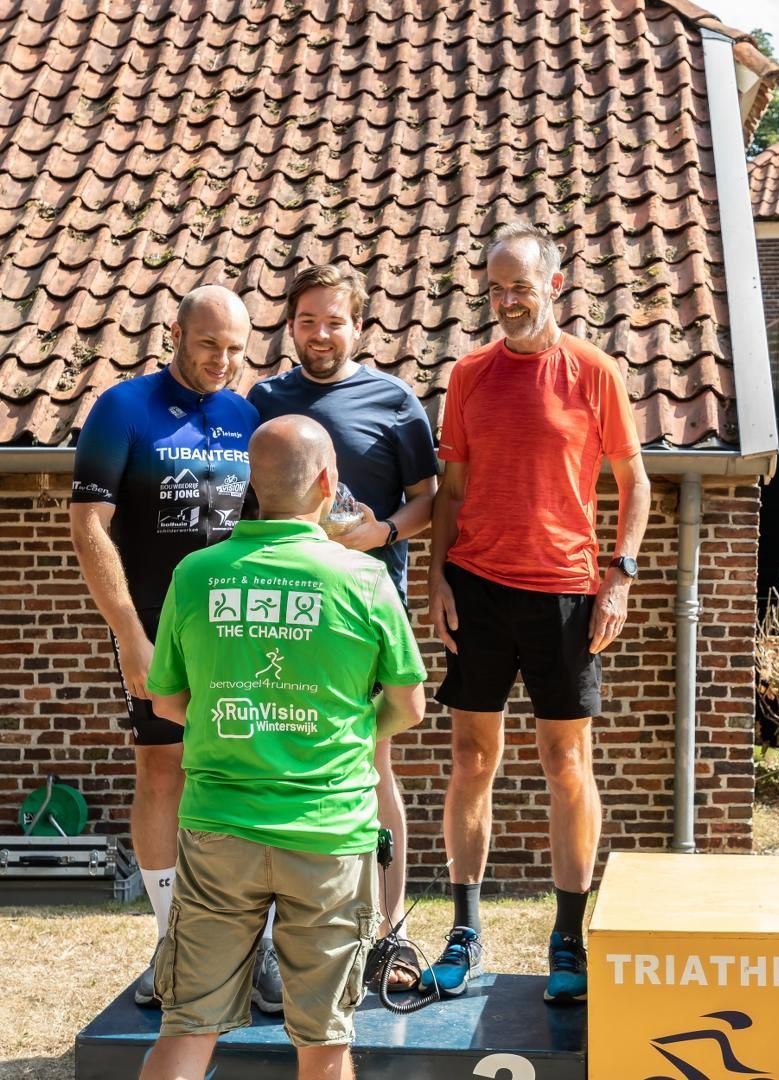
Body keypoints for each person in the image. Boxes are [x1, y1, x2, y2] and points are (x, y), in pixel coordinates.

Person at [139, 416, 427, 1080]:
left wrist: (233, 722)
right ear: (328, 483)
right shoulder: (365, 579)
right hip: (329, 835)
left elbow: (167, 702)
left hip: (218, 829)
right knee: (324, 1044)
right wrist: (349, 731)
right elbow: (408, 706)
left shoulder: (195, 573)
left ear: (253, 485)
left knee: (186, 1028)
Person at [423, 222, 651, 1005]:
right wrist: (437, 578)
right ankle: (463, 933)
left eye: (520, 287)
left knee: (566, 766)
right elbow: (451, 490)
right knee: (471, 761)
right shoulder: (468, 375)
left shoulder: (594, 371)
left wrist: (619, 576)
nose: (507, 302)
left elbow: (634, 480)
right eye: (496, 290)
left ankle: (568, 938)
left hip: (565, 593)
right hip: (477, 588)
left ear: (554, 285)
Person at [69, 286, 280, 1009]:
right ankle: (172, 941)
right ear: (175, 334)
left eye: (235, 348)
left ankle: (258, 943)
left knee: (252, 773)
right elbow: (89, 526)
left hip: (243, 628)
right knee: (162, 770)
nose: (222, 360)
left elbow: (271, 524)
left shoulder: (246, 415)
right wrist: (129, 635)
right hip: (158, 626)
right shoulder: (123, 408)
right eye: (209, 344)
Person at [248, 263, 438, 990]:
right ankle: (279, 940)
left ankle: (388, 934)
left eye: (334, 321)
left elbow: (430, 502)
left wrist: (381, 531)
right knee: (277, 763)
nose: (320, 334)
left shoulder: (394, 401)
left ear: (359, 326)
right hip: (281, 617)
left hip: (360, 614)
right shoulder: (264, 401)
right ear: (290, 326)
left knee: (373, 764)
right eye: (307, 321)